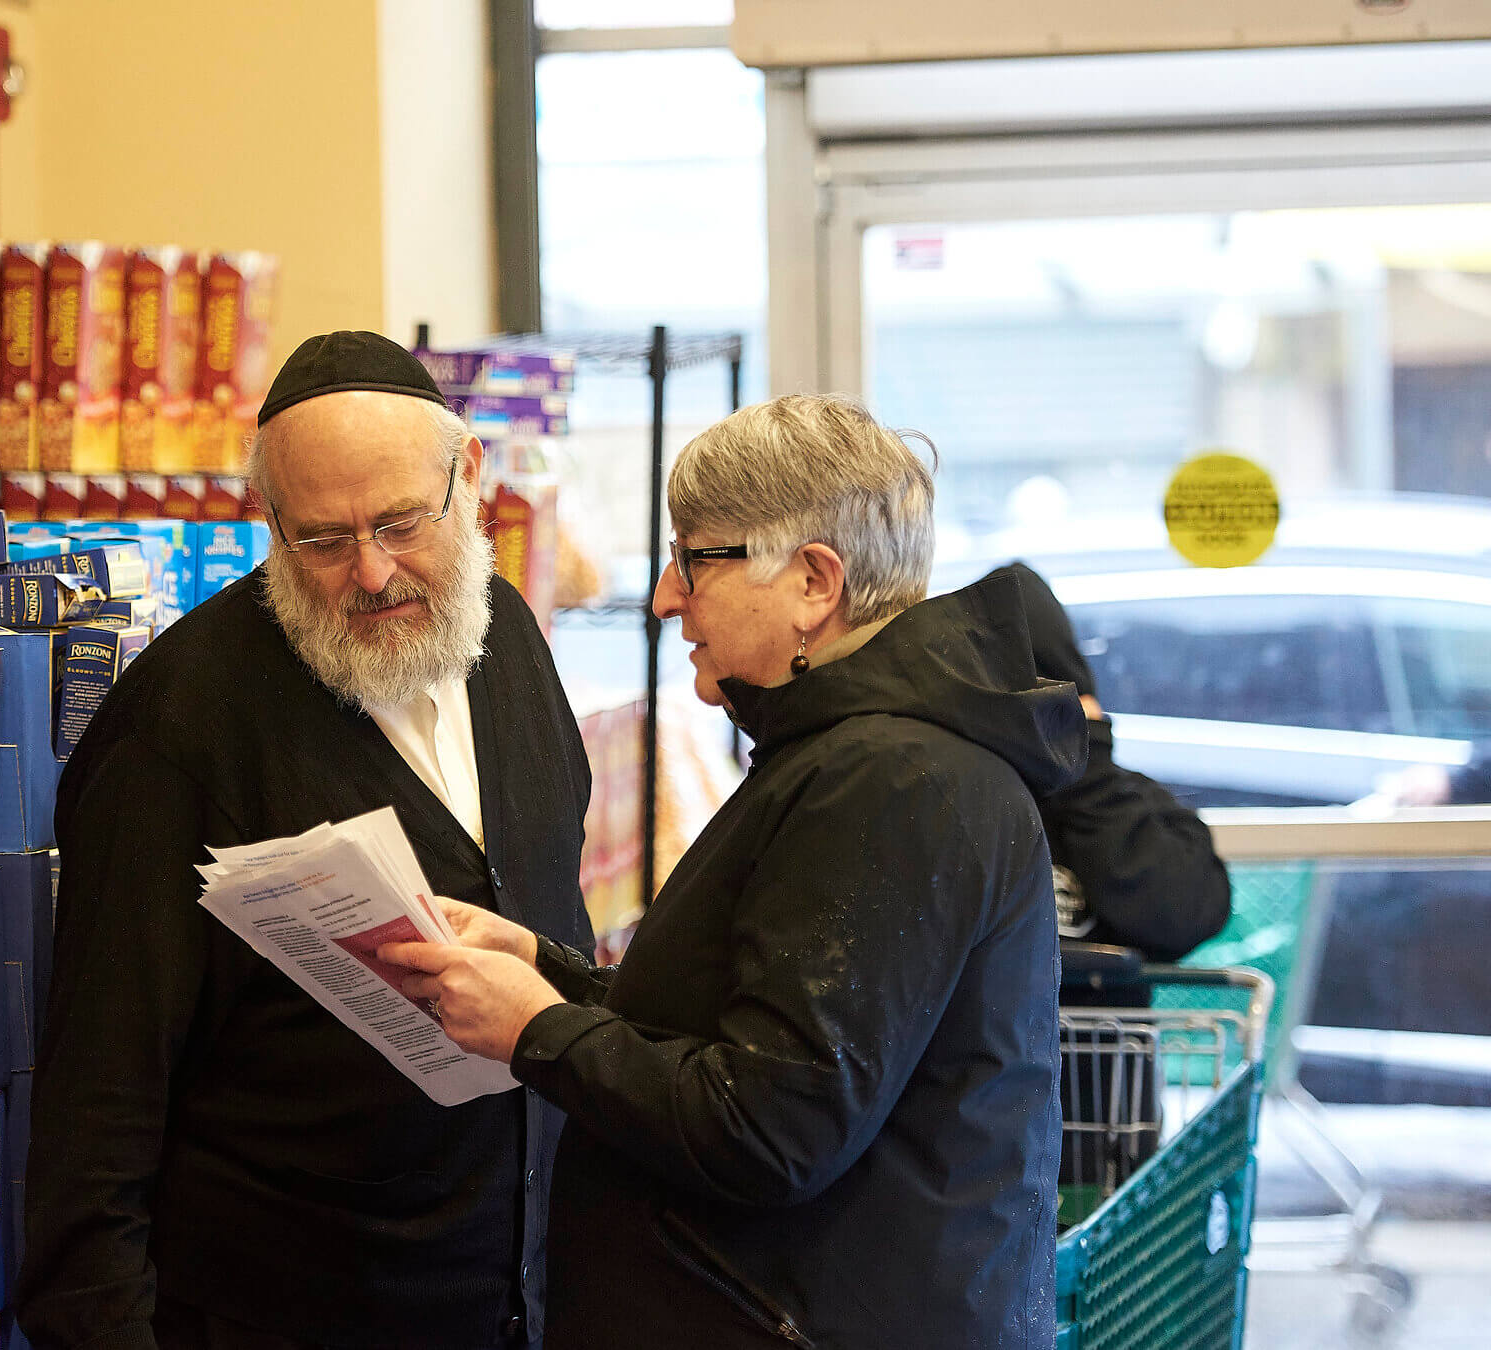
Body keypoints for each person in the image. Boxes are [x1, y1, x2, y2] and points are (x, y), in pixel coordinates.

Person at [383, 394, 1086, 1350]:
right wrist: (549, 973)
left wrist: (536, 1031)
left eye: (696, 557)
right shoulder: (855, 757)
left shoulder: (888, 781)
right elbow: (755, 1025)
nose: (667, 596)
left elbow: (771, 1127)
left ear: (813, 582)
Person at [16, 331, 594, 1350]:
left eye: (400, 524)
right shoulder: (179, 725)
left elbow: (558, 937)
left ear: (469, 480)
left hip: (514, 1297)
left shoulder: (512, 647)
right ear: (271, 525)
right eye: (322, 540)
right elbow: (96, 1112)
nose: (370, 573)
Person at [988, 561, 1231, 963]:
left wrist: (1086, 767)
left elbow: (1187, 917)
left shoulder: (1124, 801)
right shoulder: (959, 797)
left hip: (1107, 1026)